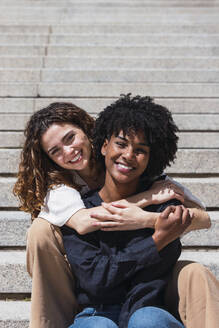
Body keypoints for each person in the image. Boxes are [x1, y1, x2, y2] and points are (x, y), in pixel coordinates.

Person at [13, 99, 217, 328]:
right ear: (105, 145)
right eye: (56, 151)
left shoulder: (156, 185)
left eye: (70, 138)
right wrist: (148, 214)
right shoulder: (64, 195)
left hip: (146, 300)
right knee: (40, 231)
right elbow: (85, 226)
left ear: (88, 132)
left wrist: (151, 218)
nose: (69, 151)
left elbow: (202, 217)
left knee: (151, 317)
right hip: (92, 296)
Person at [63, 94, 192, 327]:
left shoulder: (163, 202)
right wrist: (155, 241)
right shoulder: (79, 210)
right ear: (104, 146)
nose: (129, 155)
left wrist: (146, 224)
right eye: (121, 144)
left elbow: (158, 267)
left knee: (146, 322)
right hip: (95, 312)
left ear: (151, 157)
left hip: (149, 307)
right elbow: (95, 280)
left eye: (140, 150)